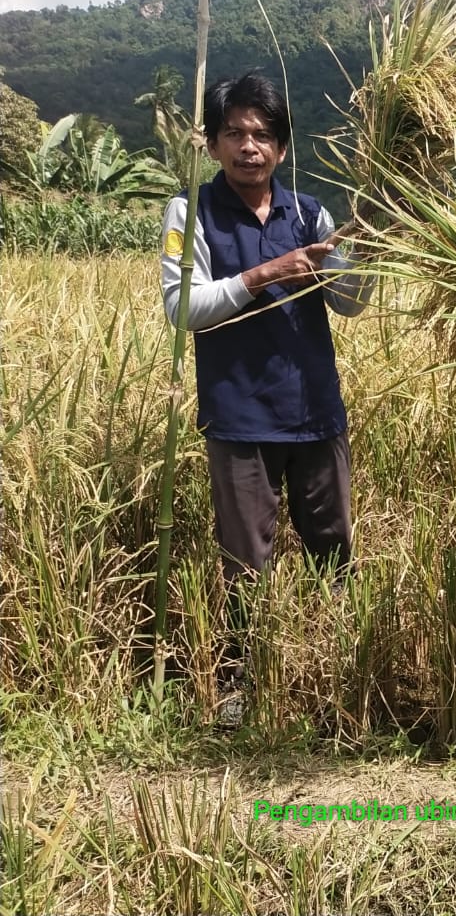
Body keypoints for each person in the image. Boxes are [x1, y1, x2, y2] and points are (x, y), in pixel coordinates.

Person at [160, 71, 374, 726]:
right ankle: (237, 692)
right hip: (239, 417)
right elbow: (181, 308)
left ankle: (337, 677)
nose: (249, 146)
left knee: (333, 549)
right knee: (245, 562)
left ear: (281, 147)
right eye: (235, 133)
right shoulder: (187, 213)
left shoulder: (312, 214)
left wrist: (362, 255)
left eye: (262, 134)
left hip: (314, 413)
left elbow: (352, 305)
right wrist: (263, 274)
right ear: (214, 143)